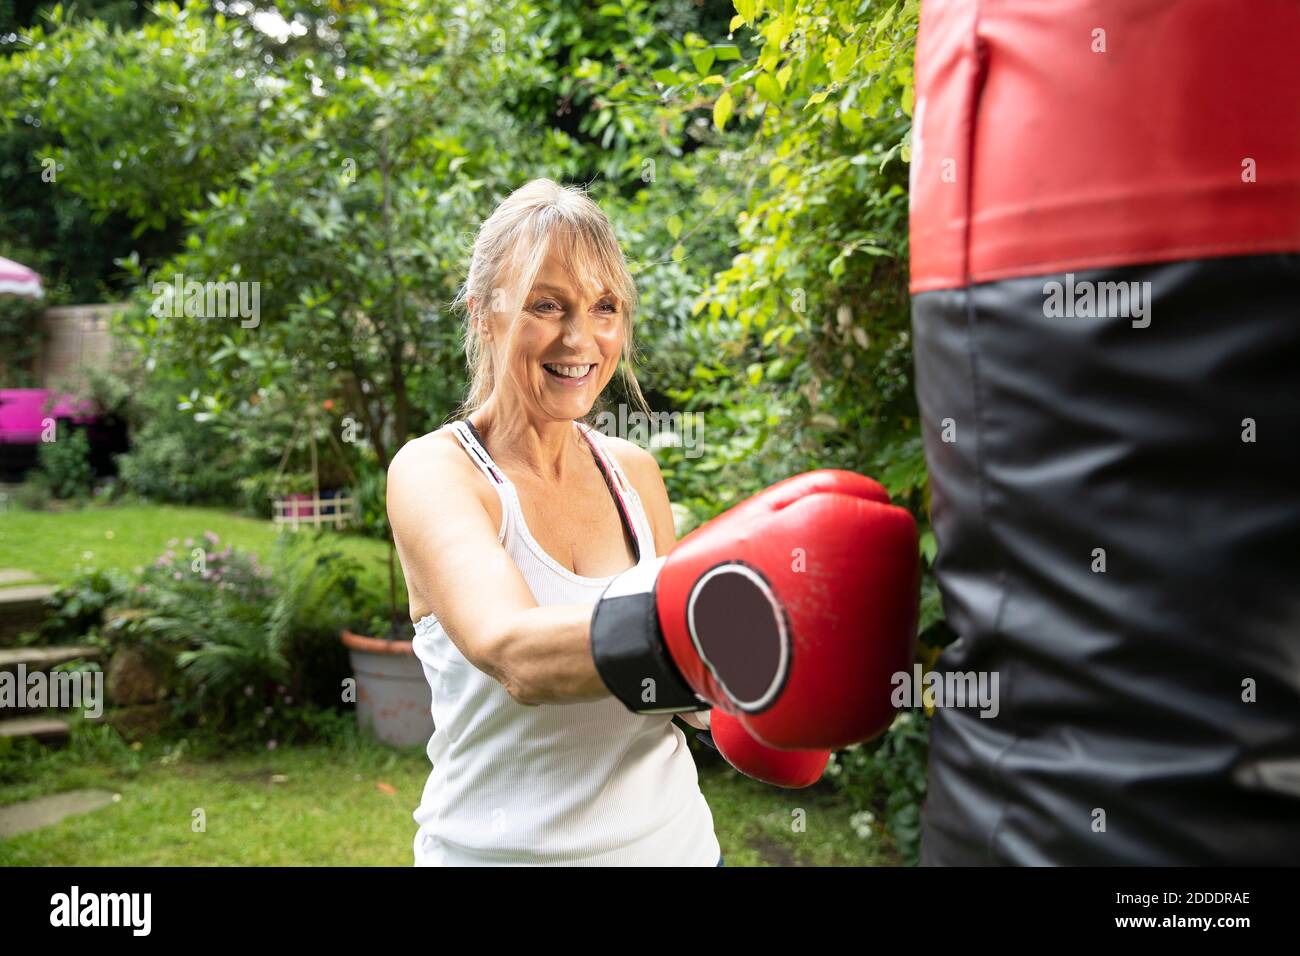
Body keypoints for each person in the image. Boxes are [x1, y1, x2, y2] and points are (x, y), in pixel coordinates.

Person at [388, 178, 723, 866]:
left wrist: (790, 679)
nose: (581, 337)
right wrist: (721, 616)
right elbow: (516, 654)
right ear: (484, 313)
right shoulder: (436, 473)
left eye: (605, 307)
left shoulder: (635, 474)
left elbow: (690, 699)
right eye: (547, 304)